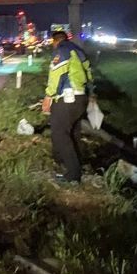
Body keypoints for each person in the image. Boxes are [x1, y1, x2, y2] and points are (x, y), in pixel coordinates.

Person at [41, 30, 94, 183]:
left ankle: (72, 174)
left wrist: (48, 96)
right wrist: (91, 94)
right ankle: (76, 165)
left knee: (59, 134)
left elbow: (56, 75)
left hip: (67, 98)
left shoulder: (62, 50)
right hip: (81, 98)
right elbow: (89, 75)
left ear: (55, 41)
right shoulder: (78, 51)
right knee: (74, 132)